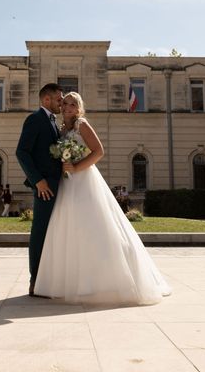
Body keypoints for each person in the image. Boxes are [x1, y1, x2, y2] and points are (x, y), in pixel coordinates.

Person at [34, 92, 171, 305]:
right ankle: (70, 281)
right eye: (66, 103)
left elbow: (99, 152)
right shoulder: (62, 129)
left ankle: (107, 281)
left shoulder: (82, 125)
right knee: (71, 228)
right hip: (67, 183)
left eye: (73, 104)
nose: (68, 107)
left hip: (84, 180)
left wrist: (76, 167)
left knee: (93, 226)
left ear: (79, 108)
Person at [16, 83, 63, 296]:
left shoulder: (54, 122)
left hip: (59, 185)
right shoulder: (35, 119)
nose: (61, 103)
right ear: (46, 100)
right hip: (44, 187)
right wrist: (38, 181)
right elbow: (22, 152)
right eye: (58, 100)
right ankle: (35, 280)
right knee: (40, 232)